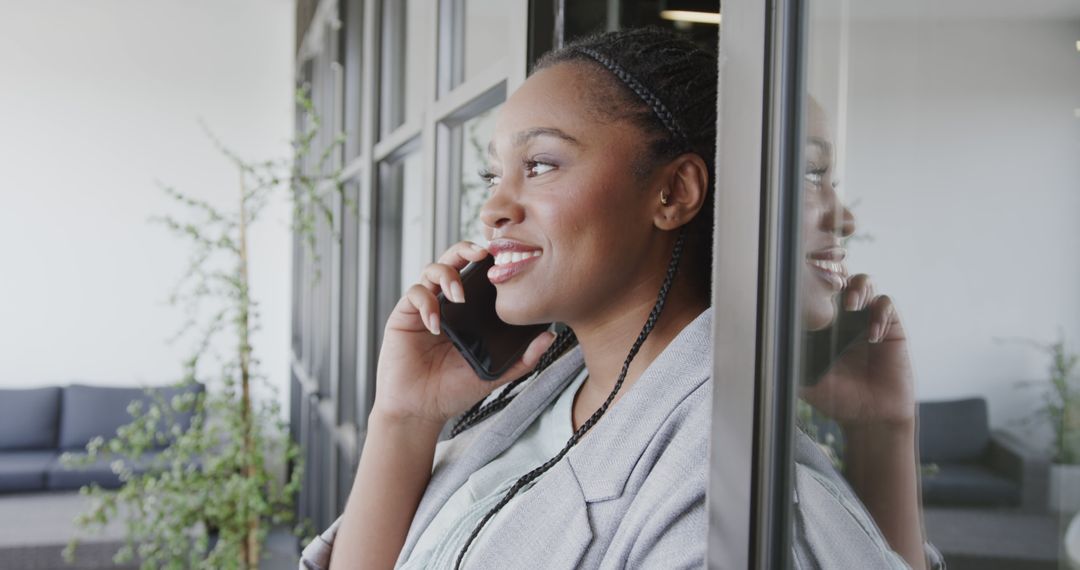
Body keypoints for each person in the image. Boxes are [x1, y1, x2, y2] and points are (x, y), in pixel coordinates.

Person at [299, 28, 940, 569]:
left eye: (542, 164)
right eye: (493, 175)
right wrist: (403, 418)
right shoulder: (556, 389)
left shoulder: (712, 502)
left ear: (672, 193)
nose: (493, 208)